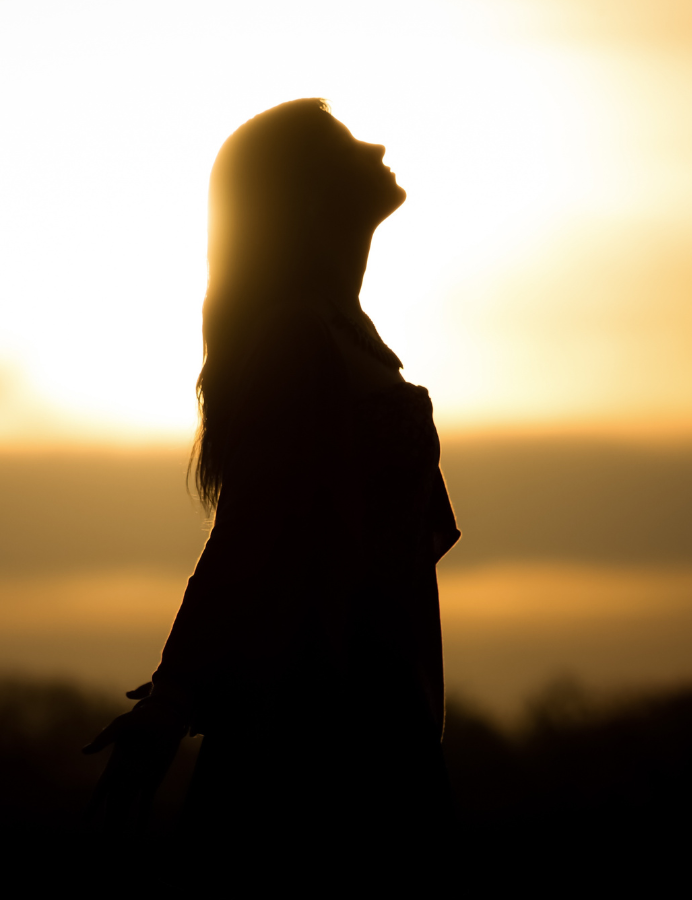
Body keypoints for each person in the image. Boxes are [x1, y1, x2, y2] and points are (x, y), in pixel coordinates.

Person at [84, 98, 460, 887]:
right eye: (347, 140)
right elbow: (248, 533)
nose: (379, 142)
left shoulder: (348, 334)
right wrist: (179, 689)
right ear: (312, 194)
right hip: (318, 731)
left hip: (384, 719)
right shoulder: (298, 336)